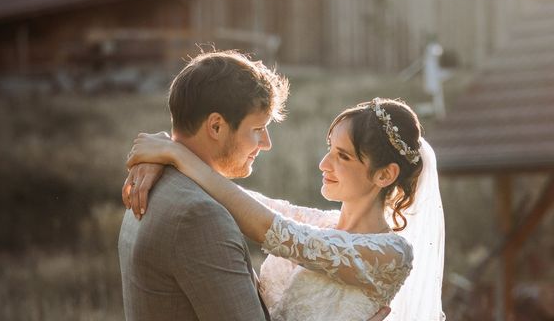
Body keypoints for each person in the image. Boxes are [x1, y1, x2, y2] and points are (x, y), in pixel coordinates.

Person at [118, 49, 392, 321]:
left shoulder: (154, 184)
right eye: (258, 130)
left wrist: (169, 150)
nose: (267, 144)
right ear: (216, 126)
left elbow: (254, 210)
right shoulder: (199, 215)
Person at [125, 97, 445, 321]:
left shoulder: (392, 253)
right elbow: (232, 196)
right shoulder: (320, 222)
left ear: (384, 174)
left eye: (343, 156)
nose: (324, 164)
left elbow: (268, 228)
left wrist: (174, 155)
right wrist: (166, 153)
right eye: (329, 149)